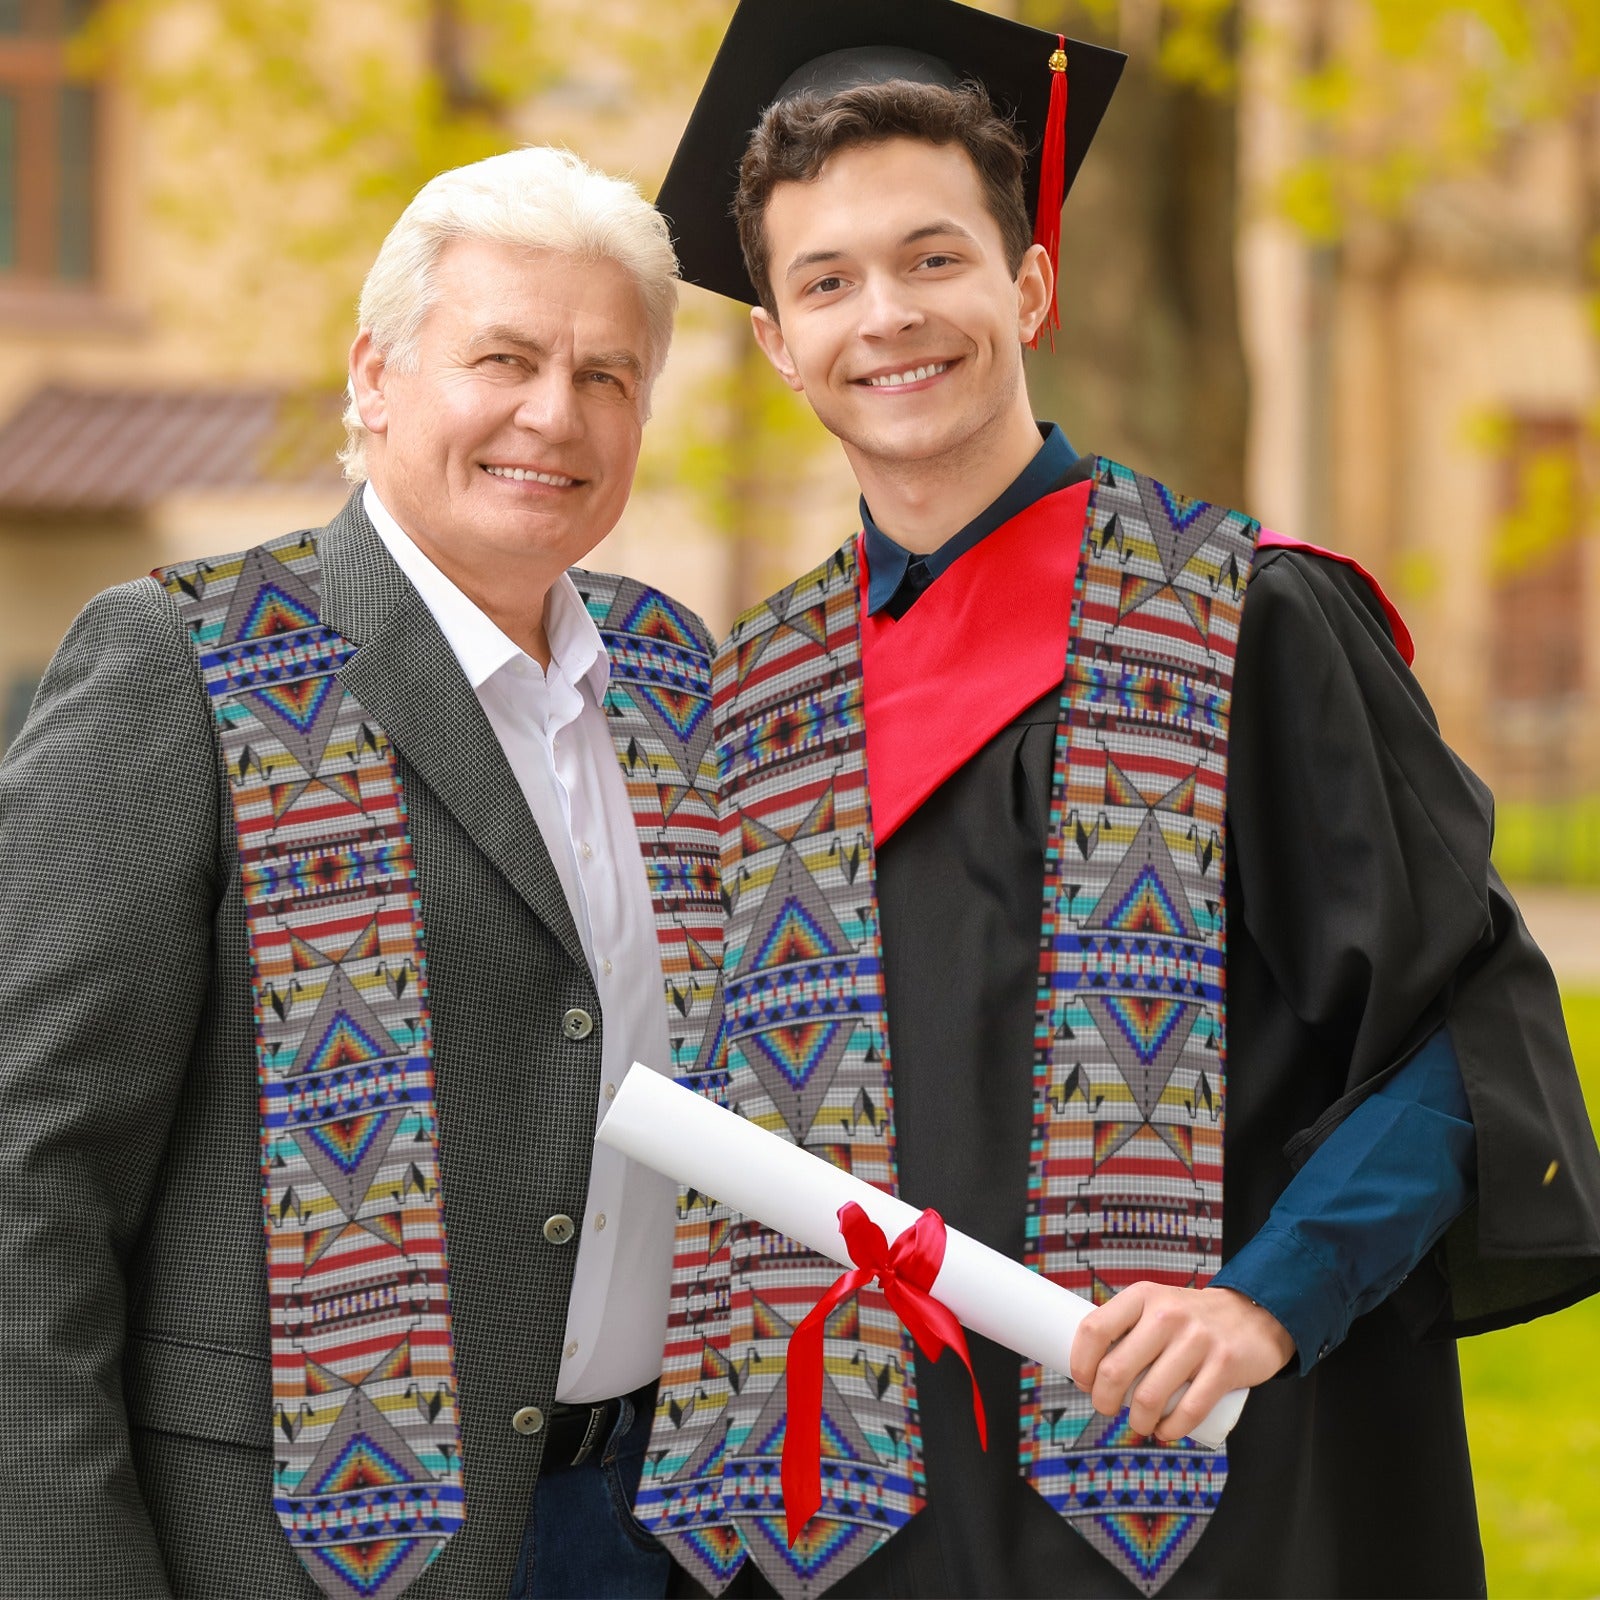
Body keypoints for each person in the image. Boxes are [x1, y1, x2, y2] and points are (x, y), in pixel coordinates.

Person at [630, 3, 1600, 1597]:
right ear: (778, 342)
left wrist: (1267, 1300)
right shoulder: (758, 698)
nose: (888, 316)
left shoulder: (1249, 622)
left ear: (1029, 282)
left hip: (1201, 1500)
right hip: (858, 1529)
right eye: (828, 281)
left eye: (935, 259)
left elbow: (1461, 1034)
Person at [0, 146, 722, 1600]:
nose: (553, 413)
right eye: (504, 357)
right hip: (295, 1550)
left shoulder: (672, 674)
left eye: (606, 375)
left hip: (650, 1532)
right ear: (375, 377)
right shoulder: (189, 663)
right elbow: (29, 1173)